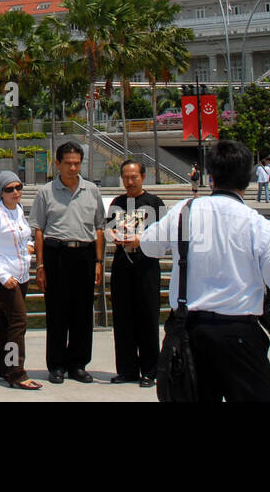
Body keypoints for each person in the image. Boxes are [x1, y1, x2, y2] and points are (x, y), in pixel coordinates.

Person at [126, 139, 270, 402]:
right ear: (247, 178)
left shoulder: (185, 212)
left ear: (210, 177)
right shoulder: (256, 223)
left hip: (191, 332)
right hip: (240, 333)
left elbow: (149, 245)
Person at [30, 140, 105, 384]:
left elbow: (100, 228)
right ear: (57, 163)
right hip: (56, 255)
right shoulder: (46, 192)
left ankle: (78, 364)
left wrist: (98, 261)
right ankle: (57, 365)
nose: (73, 168)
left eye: (77, 163)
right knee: (57, 311)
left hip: (84, 254)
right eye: (68, 163)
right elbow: (38, 230)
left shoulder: (92, 190)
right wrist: (40, 265)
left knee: (83, 312)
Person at [104, 160, 164, 387]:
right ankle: (127, 369)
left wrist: (142, 240)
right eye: (126, 177)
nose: (129, 181)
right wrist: (113, 236)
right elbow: (108, 228)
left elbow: (164, 235)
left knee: (147, 318)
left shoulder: (154, 203)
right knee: (123, 319)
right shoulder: (118, 202)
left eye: (134, 177)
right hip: (122, 266)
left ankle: (150, 370)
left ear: (143, 177)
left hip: (146, 267)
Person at [0, 169, 42, 390]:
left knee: (6, 321)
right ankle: (16, 372)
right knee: (19, 319)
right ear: (1, 192)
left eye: (18, 187)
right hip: (3, 276)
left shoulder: (18, 210)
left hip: (21, 274)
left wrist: (30, 247)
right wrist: (3, 276)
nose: (15, 192)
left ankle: (0, 367)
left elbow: (24, 235)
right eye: (9, 189)